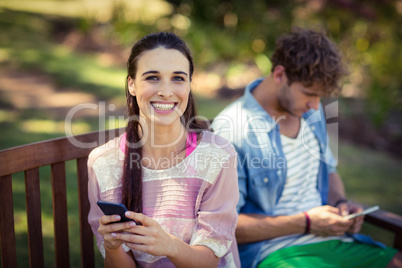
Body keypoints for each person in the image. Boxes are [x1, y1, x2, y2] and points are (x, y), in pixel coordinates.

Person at [212, 28, 401, 268]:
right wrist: (307, 223)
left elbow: (329, 172)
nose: (315, 106)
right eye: (309, 94)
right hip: (278, 254)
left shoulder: (310, 112)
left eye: (320, 97)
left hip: (337, 242)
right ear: (280, 74)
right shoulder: (234, 129)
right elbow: (225, 226)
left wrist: (341, 203)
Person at [87, 32, 240, 267]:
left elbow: (209, 261)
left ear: (189, 84)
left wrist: (169, 246)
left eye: (178, 78)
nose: (166, 92)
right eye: (152, 78)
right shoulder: (103, 164)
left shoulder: (218, 156)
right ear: (132, 84)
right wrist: (112, 245)